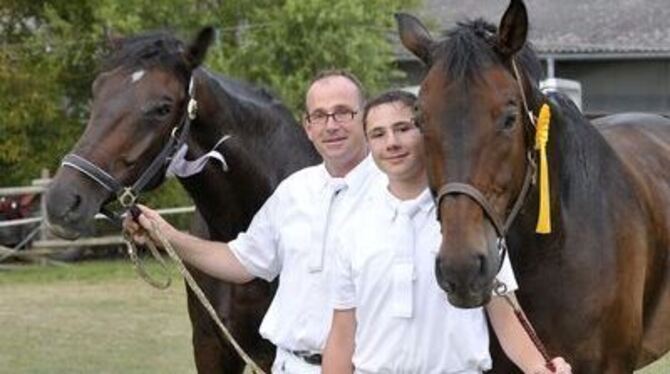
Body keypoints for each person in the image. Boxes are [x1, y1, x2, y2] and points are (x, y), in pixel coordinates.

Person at [124, 70, 383, 373]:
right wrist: (166, 235)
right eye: (320, 116)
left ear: (365, 118)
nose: (331, 125)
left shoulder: (393, 192)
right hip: (290, 366)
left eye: (343, 113)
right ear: (308, 127)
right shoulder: (293, 192)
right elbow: (241, 260)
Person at [322, 90, 572, 374]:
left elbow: (506, 318)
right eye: (378, 134)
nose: (391, 143)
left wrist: (540, 368)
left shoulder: (468, 217)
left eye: (403, 129)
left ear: (428, 134)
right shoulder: (352, 224)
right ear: (368, 144)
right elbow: (342, 335)